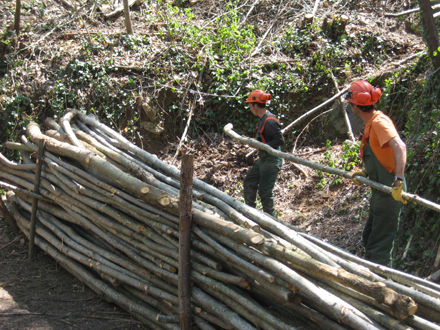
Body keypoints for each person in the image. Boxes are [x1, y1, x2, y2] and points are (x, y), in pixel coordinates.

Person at [347, 80, 407, 267]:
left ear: (356, 105)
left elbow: (400, 146)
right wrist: (366, 172)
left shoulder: (379, 122)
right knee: (369, 237)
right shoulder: (371, 124)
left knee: (378, 247)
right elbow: (382, 155)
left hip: (390, 192)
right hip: (380, 192)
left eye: (350, 102)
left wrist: (398, 181)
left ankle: (382, 288)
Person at [243, 89, 285, 217]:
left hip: (272, 160)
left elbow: (279, 140)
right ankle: (251, 213)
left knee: (265, 192)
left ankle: (271, 221)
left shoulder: (270, 121)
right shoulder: (262, 119)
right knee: (249, 182)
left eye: (250, 105)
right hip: (264, 159)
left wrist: (263, 146)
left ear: (255, 105)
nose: (250, 108)